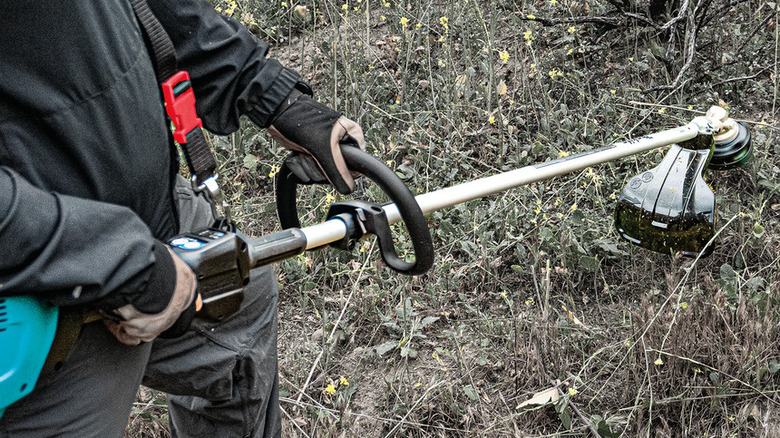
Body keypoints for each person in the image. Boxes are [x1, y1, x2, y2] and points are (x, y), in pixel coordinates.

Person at [0, 0, 365, 436]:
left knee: (239, 307)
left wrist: (263, 88)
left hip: (149, 220)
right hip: (32, 311)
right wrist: (115, 264)